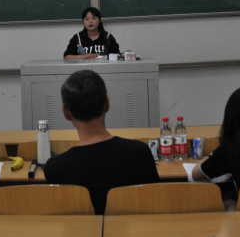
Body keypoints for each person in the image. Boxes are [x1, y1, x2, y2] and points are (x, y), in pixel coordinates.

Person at [44, 70, 159, 214]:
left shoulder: (54, 168)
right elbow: (156, 203)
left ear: (66, 113)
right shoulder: (140, 152)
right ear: (107, 104)